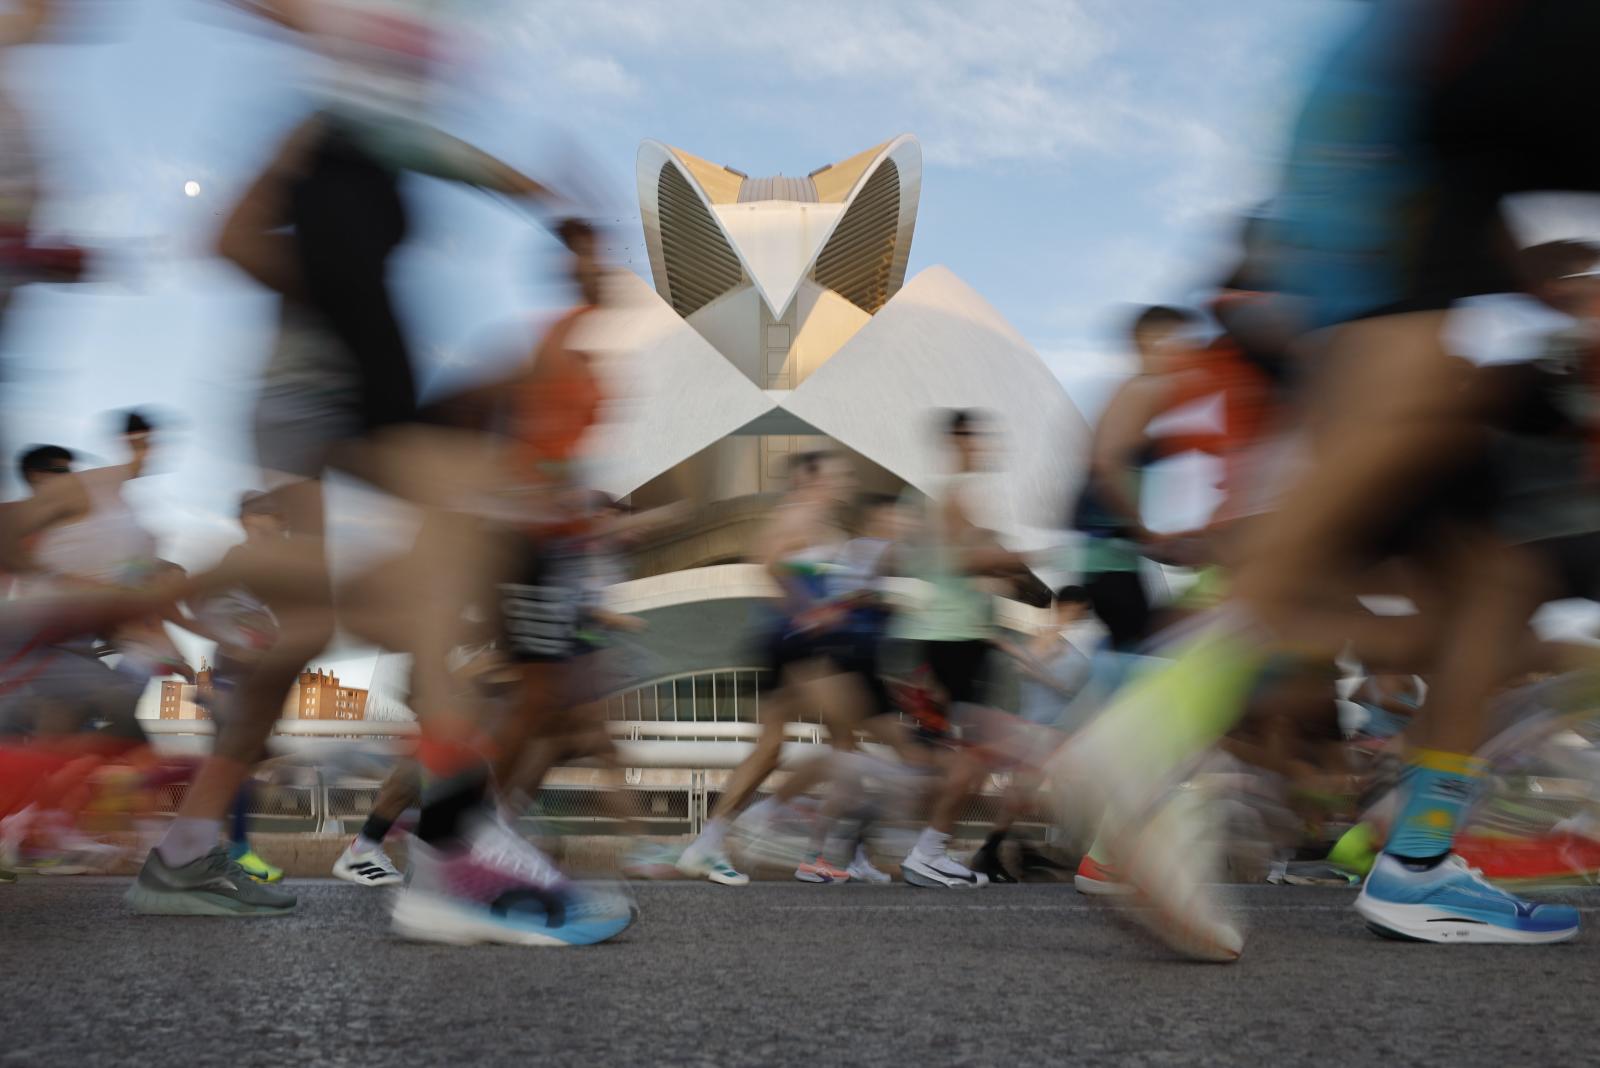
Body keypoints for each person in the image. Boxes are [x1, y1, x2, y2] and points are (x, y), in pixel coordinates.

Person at [1048, 0, 1600, 958]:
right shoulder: (1444, 73)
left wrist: (1534, 286)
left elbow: (1487, 197)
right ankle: (1151, 736)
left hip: (1399, 128)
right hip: (1395, 100)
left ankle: (1416, 861)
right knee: (1414, 389)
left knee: (1491, 583)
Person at [674, 450, 859, 886]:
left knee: (772, 749)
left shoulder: (823, 523)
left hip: (790, 642)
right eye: (836, 473)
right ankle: (778, 823)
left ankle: (709, 844)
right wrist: (810, 611)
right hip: (794, 644)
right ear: (807, 479)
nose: (844, 480)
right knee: (847, 739)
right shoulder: (798, 515)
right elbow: (768, 563)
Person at [969, 585, 1093, 882]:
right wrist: (1051, 677)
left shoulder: (1064, 640)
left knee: (1027, 794)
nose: (1083, 615)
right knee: (1026, 793)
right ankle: (998, 850)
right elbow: (1027, 668)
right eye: (1080, 608)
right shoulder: (1047, 637)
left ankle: (1012, 849)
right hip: (1039, 728)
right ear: (1067, 606)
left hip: (1053, 730)